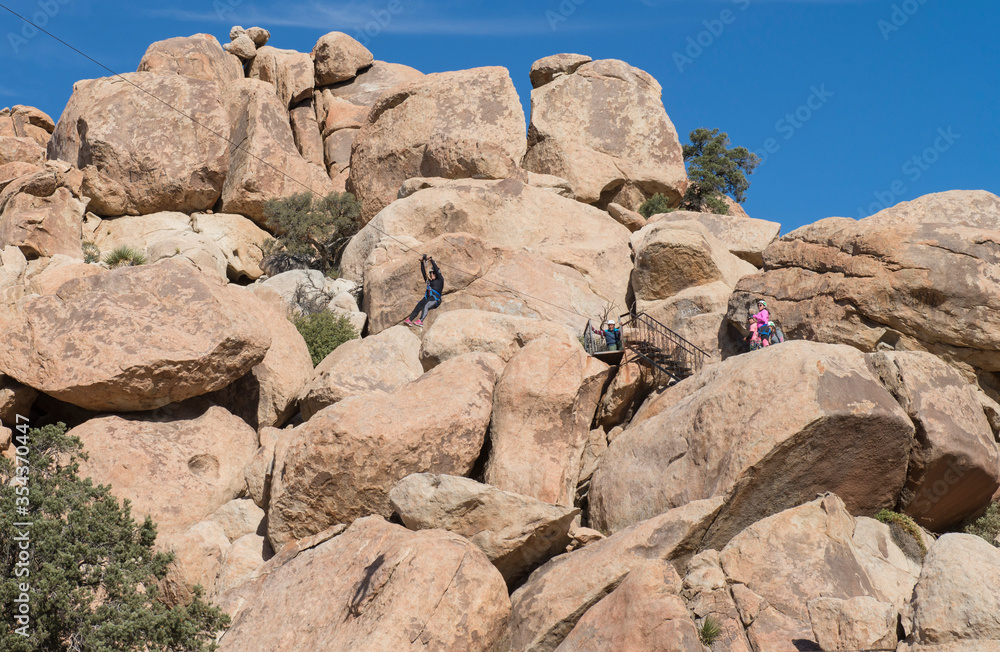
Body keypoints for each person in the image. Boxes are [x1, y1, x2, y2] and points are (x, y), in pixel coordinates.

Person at [404, 254, 443, 326]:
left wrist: (431, 260)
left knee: (426, 305)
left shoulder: (440, 280)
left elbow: (437, 270)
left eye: (433, 273)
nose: (432, 275)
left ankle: (421, 320)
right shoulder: (429, 282)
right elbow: (423, 273)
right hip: (428, 298)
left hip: (435, 299)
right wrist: (422, 262)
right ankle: (410, 320)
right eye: (431, 273)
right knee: (418, 306)